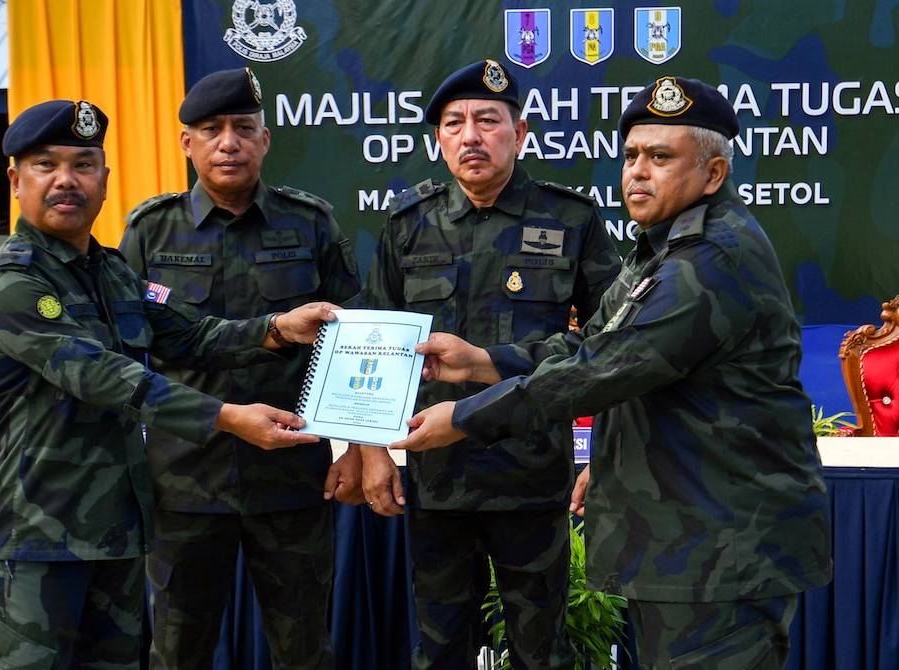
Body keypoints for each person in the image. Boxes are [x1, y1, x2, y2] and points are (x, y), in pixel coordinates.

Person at [392, 76, 833, 668]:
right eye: (630, 156)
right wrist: (485, 361)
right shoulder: (661, 248)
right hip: (685, 540)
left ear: (714, 174)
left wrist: (466, 416)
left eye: (661, 157)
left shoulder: (711, 260)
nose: (638, 172)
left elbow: (604, 370)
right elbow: (589, 343)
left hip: (724, 549)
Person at [0, 99, 337, 669]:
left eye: (84, 164)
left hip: (116, 532)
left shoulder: (112, 272)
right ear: (17, 181)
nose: (67, 180)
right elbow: (104, 376)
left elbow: (190, 334)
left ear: (105, 180)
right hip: (36, 537)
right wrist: (227, 416)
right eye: (47, 165)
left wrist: (277, 328)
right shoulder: (13, 282)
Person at [358, 59, 621, 669]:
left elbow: (611, 350)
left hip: (532, 474)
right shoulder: (407, 225)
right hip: (435, 475)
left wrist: (603, 455)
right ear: (438, 140)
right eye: (454, 123)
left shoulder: (571, 220)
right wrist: (372, 452)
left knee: (540, 652)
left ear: (521, 132)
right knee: (441, 649)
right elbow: (372, 344)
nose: (470, 136)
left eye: (487, 120)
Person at [119, 68, 362, 670]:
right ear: (187, 143)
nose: (228, 142)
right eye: (211, 129)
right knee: (177, 650)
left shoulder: (309, 223)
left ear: (265, 140)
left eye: (242, 128)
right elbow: (126, 353)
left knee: (304, 648)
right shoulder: (150, 231)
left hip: (291, 477)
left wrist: (356, 444)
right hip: (184, 480)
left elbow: (352, 340)